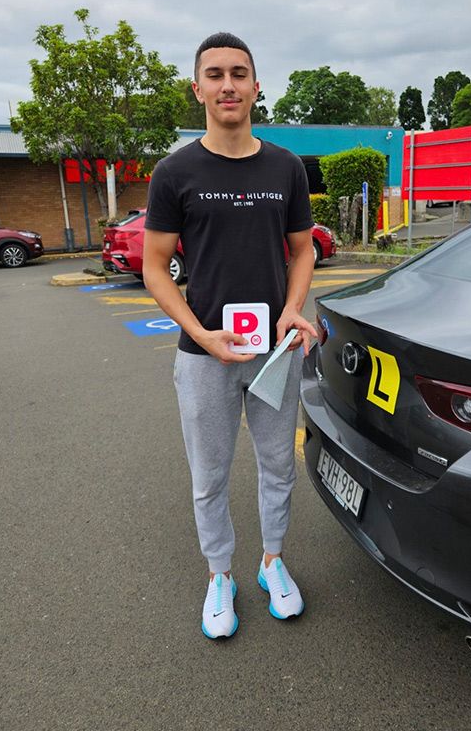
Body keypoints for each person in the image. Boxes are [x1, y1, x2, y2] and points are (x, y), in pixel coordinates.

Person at [142, 32, 316, 640]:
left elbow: (302, 252)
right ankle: (221, 574)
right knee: (209, 475)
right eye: (214, 75)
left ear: (256, 86)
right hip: (204, 357)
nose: (228, 85)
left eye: (239, 74)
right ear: (198, 89)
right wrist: (200, 333)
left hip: (273, 353)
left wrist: (293, 310)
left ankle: (271, 562)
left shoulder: (285, 167)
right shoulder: (175, 171)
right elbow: (153, 265)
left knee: (277, 466)